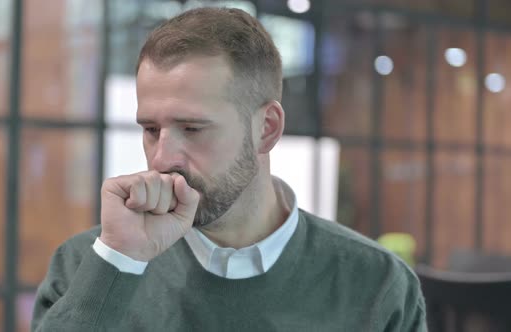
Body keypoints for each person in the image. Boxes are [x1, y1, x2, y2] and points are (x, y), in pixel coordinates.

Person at [31, 7, 426, 331]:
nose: (162, 159)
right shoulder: (91, 264)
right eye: (151, 129)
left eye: (192, 129)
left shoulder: (377, 285)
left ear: (266, 129)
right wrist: (119, 262)